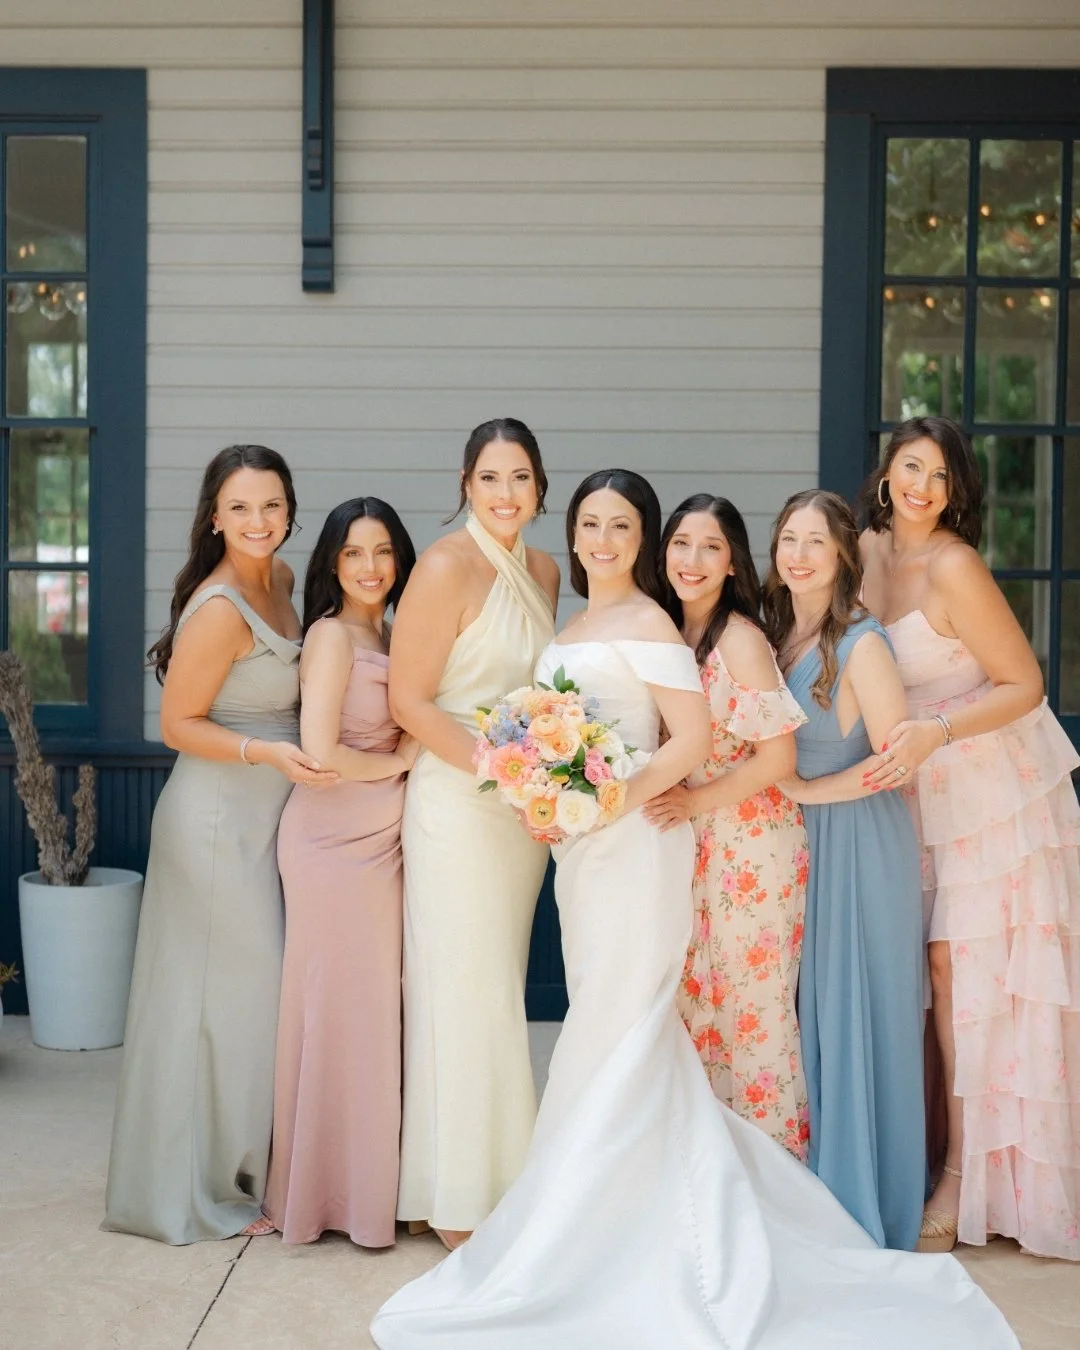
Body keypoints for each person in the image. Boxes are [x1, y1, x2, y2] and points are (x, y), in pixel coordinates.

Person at [370, 471, 1018, 1350]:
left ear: (644, 539)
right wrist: (549, 787)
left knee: (627, 1019)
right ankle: (592, 1205)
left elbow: (700, 743)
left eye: (626, 526)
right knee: (634, 1021)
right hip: (589, 850)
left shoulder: (664, 631)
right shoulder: (595, 626)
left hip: (645, 841)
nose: (607, 540)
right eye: (593, 524)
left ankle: (629, 1218)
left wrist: (616, 796)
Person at [859, 415, 1079, 1260]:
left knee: (961, 974)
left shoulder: (954, 565)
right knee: (905, 976)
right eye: (913, 467)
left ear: (958, 496)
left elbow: (1025, 682)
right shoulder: (868, 549)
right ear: (885, 474)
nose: (924, 487)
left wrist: (935, 733)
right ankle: (901, 1155)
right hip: (900, 788)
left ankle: (966, 1174)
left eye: (943, 478)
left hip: (982, 785)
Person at [103, 445, 336, 1245]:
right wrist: (266, 752)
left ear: (290, 508)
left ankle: (234, 1170)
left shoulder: (282, 581)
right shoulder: (218, 608)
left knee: (248, 1008)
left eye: (272, 504)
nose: (258, 521)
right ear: (214, 516)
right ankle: (188, 1192)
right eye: (240, 508)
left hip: (264, 825)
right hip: (210, 825)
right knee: (213, 1008)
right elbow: (177, 725)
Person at [388, 418, 559, 1249]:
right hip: (458, 798)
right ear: (465, 483)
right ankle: (452, 1193)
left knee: (501, 988)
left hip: (521, 814)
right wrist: (502, 772)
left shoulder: (547, 570)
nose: (505, 494)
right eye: (490, 478)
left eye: (520, 478)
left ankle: (501, 1178)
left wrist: (542, 778)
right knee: (460, 990)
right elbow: (410, 702)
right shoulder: (444, 565)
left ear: (540, 488)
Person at [765, 489, 926, 1251]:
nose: (798, 555)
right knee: (806, 1020)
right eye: (788, 540)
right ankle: (808, 1190)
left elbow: (897, 761)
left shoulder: (863, 644)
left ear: (841, 558)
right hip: (800, 845)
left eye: (815, 544)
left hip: (861, 842)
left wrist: (807, 791)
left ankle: (864, 1200)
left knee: (854, 1014)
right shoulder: (776, 635)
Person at [264, 498, 418, 1247]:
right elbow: (320, 749)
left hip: (382, 834)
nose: (369, 568)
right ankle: (320, 1197)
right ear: (332, 562)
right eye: (354, 553)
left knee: (371, 1014)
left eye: (382, 552)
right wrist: (397, 762)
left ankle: (368, 1189)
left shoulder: (388, 633)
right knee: (333, 1011)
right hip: (330, 841)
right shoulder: (330, 635)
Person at [646, 494, 810, 1159]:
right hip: (697, 843)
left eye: (710, 546)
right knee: (701, 1010)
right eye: (681, 543)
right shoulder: (664, 631)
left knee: (754, 1012)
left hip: (752, 842)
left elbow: (779, 757)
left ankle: (774, 1177)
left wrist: (694, 801)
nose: (692, 559)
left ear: (733, 563)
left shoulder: (739, 640)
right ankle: (710, 1170)